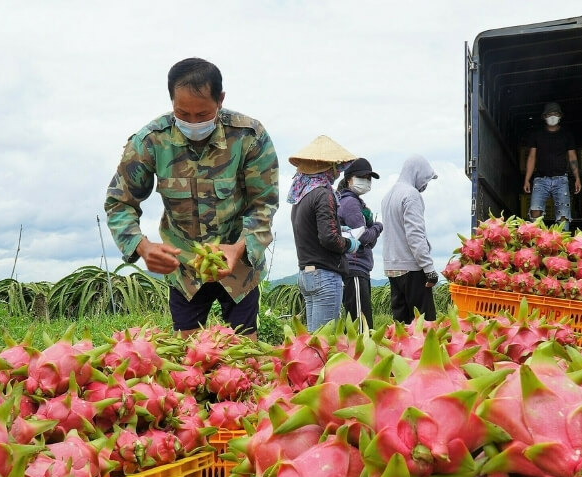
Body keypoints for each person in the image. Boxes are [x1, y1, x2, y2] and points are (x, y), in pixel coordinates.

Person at [104, 57, 279, 339]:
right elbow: (119, 203)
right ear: (172, 102)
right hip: (183, 269)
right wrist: (141, 246)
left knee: (245, 353)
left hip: (239, 268)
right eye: (183, 114)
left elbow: (264, 204)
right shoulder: (151, 141)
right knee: (186, 356)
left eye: (203, 114)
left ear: (220, 100)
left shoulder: (249, 137)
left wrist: (239, 248)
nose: (193, 123)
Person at [288, 135, 358, 331]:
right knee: (324, 341)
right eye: (336, 166)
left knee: (314, 339)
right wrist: (349, 244)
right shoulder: (323, 194)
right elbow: (329, 238)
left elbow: (311, 230)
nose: (338, 171)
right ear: (327, 167)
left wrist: (339, 228)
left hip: (306, 274)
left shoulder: (301, 196)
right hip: (324, 275)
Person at [381, 154, 438, 323]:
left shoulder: (388, 196)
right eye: (425, 179)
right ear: (417, 173)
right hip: (412, 268)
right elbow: (415, 234)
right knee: (424, 325)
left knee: (401, 326)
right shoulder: (411, 195)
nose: (425, 185)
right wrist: (429, 268)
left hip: (392, 268)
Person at [337, 158, 383, 330]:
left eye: (369, 178)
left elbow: (368, 240)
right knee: (361, 325)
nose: (366, 181)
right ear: (349, 179)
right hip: (354, 267)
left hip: (357, 268)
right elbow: (364, 238)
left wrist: (370, 231)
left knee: (357, 322)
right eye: (362, 177)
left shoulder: (353, 202)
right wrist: (378, 226)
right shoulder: (350, 203)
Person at [523, 102, 582, 230]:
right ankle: (535, 239)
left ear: (560, 116)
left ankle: (563, 240)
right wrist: (527, 179)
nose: (552, 117)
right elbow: (532, 157)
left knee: (563, 216)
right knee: (535, 212)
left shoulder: (566, 135)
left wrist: (577, 178)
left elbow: (572, 157)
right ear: (544, 117)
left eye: (555, 114)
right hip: (540, 179)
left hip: (561, 179)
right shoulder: (537, 135)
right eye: (549, 114)